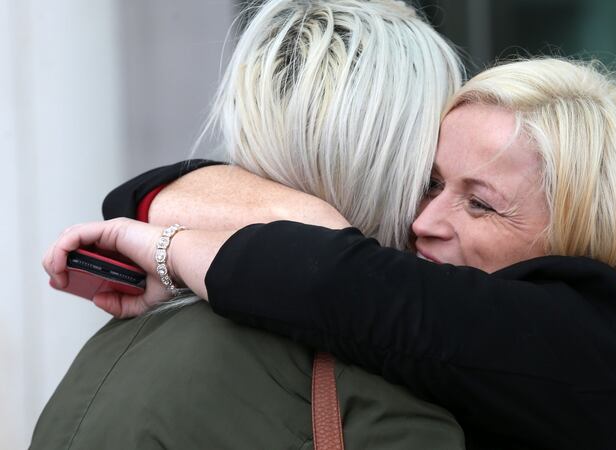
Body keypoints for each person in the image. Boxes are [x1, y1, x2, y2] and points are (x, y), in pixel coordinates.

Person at [45, 58, 616, 449]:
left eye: (480, 203)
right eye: (431, 183)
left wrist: (172, 254)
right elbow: (143, 195)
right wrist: (312, 236)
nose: (423, 221)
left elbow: (351, 290)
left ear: (589, 237)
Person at [31, 0, 468, 449]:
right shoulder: (388, 384)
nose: (440, 210)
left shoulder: (114, 349)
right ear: (397, 162)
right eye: (433, 179)